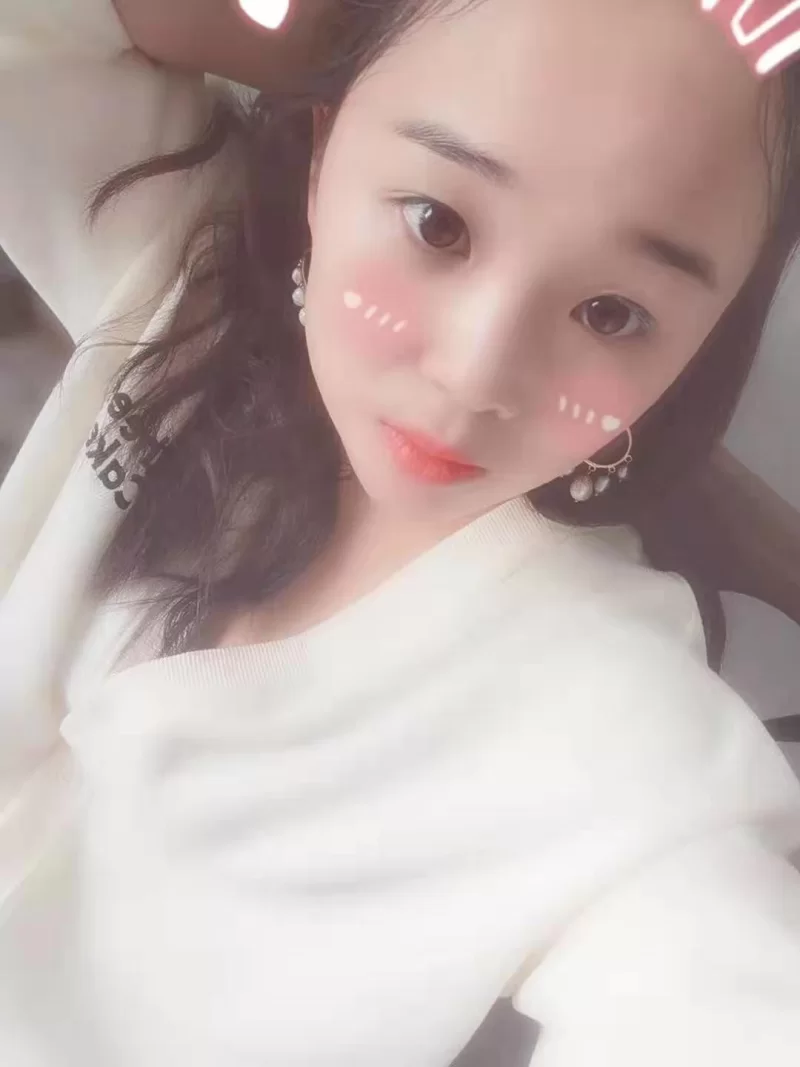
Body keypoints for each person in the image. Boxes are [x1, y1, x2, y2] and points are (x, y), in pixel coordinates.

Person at [1, 0, 800, 1063]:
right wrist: (346, 30)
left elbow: (719, 994)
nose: (475, 373)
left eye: (612, 314)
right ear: (326, 143)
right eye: (437, 223)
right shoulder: (184, 272)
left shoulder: (620, 731)